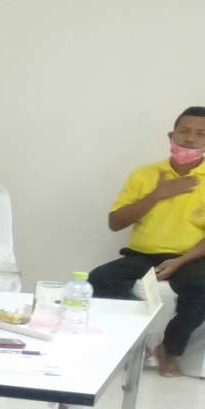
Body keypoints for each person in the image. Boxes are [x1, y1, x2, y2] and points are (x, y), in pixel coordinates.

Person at [87, 106, 205, 377]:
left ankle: (169, 349)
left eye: (201, 134)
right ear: (171, 135)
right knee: (99, 279)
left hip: (190, 257)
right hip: (142, 256)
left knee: (202, 288)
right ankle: (137, 340)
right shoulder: (144, 175)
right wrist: (157, 195)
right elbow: (115, 222)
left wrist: (179, 261)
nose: (190, 139)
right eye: (184, 131)